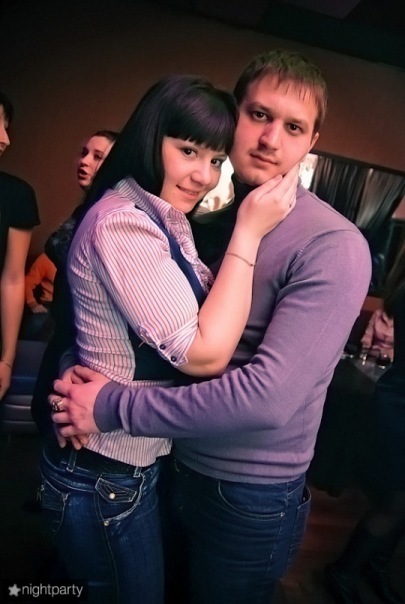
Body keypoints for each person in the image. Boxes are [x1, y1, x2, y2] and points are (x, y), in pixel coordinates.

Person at [52, 50, 372, 604]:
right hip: (167, 462)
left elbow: (267, 398)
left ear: (311, 142)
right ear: (233, 114)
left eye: (293, 128)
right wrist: (79, 371)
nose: (271, 139)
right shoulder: (201, 219)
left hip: (246, 495)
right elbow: (125, 318)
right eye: (259, 115)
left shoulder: (334, 244)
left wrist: (109, 405)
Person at [40, 74, 295, 604]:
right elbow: (203, 354)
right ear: (151, 137)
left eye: (216, 160)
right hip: (104, 469)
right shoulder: (125, 223)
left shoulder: (161, 216)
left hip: (123, 463)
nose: (204, 175)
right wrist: (249, 232)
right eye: (188, 151)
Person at [324, 246, 405, 604]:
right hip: (400, 404)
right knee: (395, 501)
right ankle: (343, 571)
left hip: (396, 397)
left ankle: (375, 567)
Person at [30, 129, 118, 435]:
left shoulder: (111, 214)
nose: (84, 161)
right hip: (63, 330)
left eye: (97, 156)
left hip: (85, 339)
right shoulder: (87, 208)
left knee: (58, 420)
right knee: (44, 412)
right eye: (84, 153)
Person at [0, 90, 40, 399]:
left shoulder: (16, 195)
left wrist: (7, 360)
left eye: (6, 126)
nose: (5, 139)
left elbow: (13, 279)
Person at [19, 252, 57, 340]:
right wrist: (32, 303)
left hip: (77, 305)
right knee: (35, 324)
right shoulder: (46, 258)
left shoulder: (82, 256)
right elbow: (27, 283)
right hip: (50, 304)